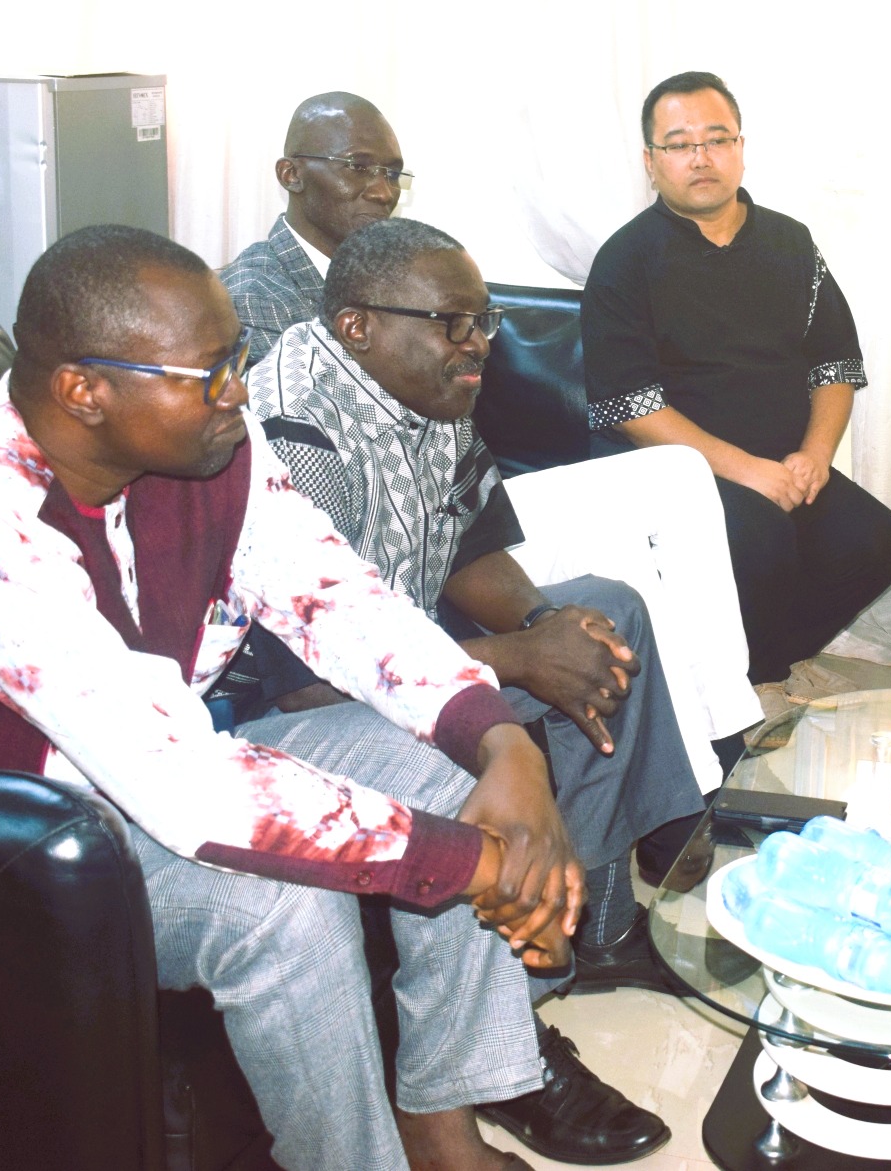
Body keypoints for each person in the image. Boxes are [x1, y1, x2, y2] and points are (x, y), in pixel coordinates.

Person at [0, 225, 606, 1171]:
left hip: (128, 780)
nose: (240, 393)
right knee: (281, 908)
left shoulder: (216, 447)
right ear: (84, 390)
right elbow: (182, 782)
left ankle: (441, 1124)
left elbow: (341, 600)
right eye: (209, 375)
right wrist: (478, 865)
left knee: (444, 764)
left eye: (238, 359)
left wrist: (501, 742)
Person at [233, 217, 709, 1002]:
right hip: (291, 709)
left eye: (484, 319)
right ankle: (520, 997)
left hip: (407, 647)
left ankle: (602, 926)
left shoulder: (430, 386)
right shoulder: (296, 431)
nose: (479, 342)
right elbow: (307, 684)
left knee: (606, 616)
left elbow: (468, 549)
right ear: (357, 326)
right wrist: (518, 660)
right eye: (452, 322)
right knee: (509, 701)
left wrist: (542, 627)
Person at [581, 71, 891, 687]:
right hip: (675, 469)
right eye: (679, 144)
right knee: (760, 537)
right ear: (651, 162)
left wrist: (814, 456)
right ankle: (751, 682)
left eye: (716, 139)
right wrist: (748, 472)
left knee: (876, 541)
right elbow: (630, 407)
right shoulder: (625, 260)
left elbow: (835, 364)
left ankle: (755, 666)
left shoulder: (790, 242)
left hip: (782, 459)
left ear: (739, 147)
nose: (700, 158)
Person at [226, 91, 406, 364]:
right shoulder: (254, 300)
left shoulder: (391, 276)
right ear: (291, 175)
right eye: (357, 167)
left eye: (392, 174)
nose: (384, 193)